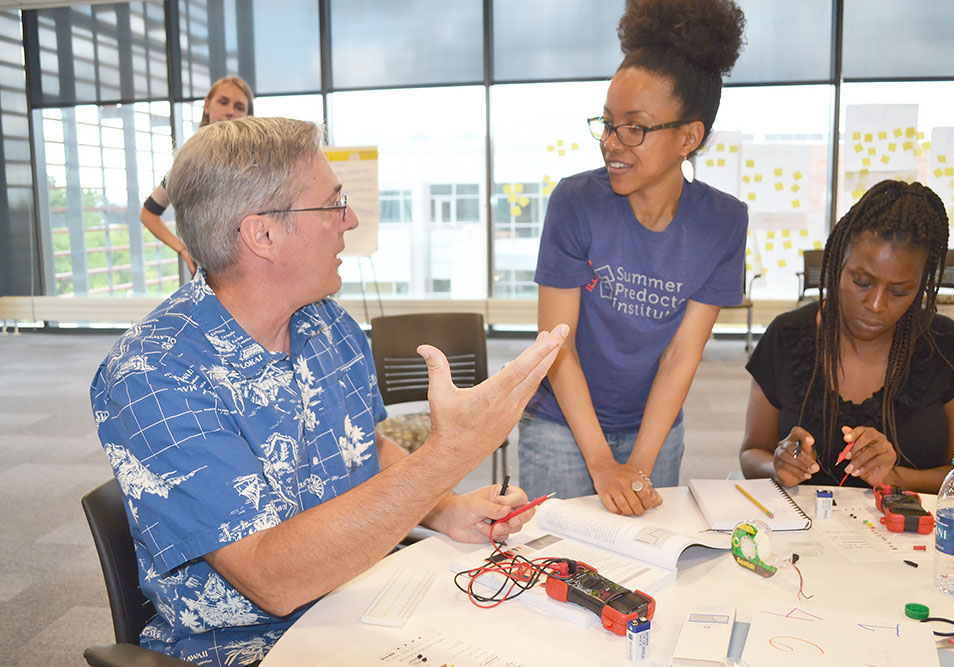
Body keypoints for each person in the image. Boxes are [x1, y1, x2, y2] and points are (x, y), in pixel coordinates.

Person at [90, 116, 568, 666]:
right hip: (250, 650)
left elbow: (363, 448)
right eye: (333, 204)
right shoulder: (154, 373)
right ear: (261, 234)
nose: (351, 220)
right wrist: (448, 455)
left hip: (364, 598)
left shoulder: (325, 323)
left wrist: (445, 509)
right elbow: (272, 579)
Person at [518, 0, 748, 516]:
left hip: (655, 430)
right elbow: (558, 346)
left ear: (689, 136)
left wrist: (639, 464)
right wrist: (602, 462)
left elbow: (680, 355)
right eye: (606, 123)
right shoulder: (575, 203)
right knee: (550, 567)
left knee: (640, 566)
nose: (611, 143)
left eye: (634, 127)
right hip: (561, 426)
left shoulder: (723, 222)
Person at [740, 180, 954, 494]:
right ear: (836, 265)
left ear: (922, 286)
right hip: (801, 536)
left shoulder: (946, 348)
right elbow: (751, 454)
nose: (875, 304)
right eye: (861, 282)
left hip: (906, 538)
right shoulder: (787, 337)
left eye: (899, 291)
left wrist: (895, 477)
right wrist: (778, 464)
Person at [140, 75, 254, 276]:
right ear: (207, 106)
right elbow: (148, 214)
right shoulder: (190, 161)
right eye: (223, 102)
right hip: (208, 276)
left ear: (247, 116)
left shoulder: (257, 162)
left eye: (239, 107)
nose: (230, 112)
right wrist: (182, 249)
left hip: (250, 268)